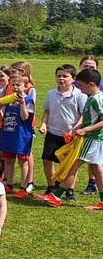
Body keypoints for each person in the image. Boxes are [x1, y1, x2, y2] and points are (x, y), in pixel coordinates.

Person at [43, 68, 103, 208]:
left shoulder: (97, 99)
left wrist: (85, 130)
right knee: (97, 170)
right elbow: (91, 119)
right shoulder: (92, 98)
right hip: (92, 138)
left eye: (81, 85)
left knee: (73, 166)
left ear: (91, 84)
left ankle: (56, 196)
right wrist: (77, 128)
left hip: (93, 139)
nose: (79, 88)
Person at [38, 65, 86, 195]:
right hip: (53, 133)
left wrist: (74, 130)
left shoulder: (79, 95)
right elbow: (47, 111)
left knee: (69, 164)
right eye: (59, 76)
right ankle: (51, 186)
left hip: (71, 136)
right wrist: (43, 124)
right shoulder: (51, 93)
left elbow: (83, 115)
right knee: (47, 160)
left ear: (73, 79)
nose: (61, 79)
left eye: (65, 76)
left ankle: (70, 189)